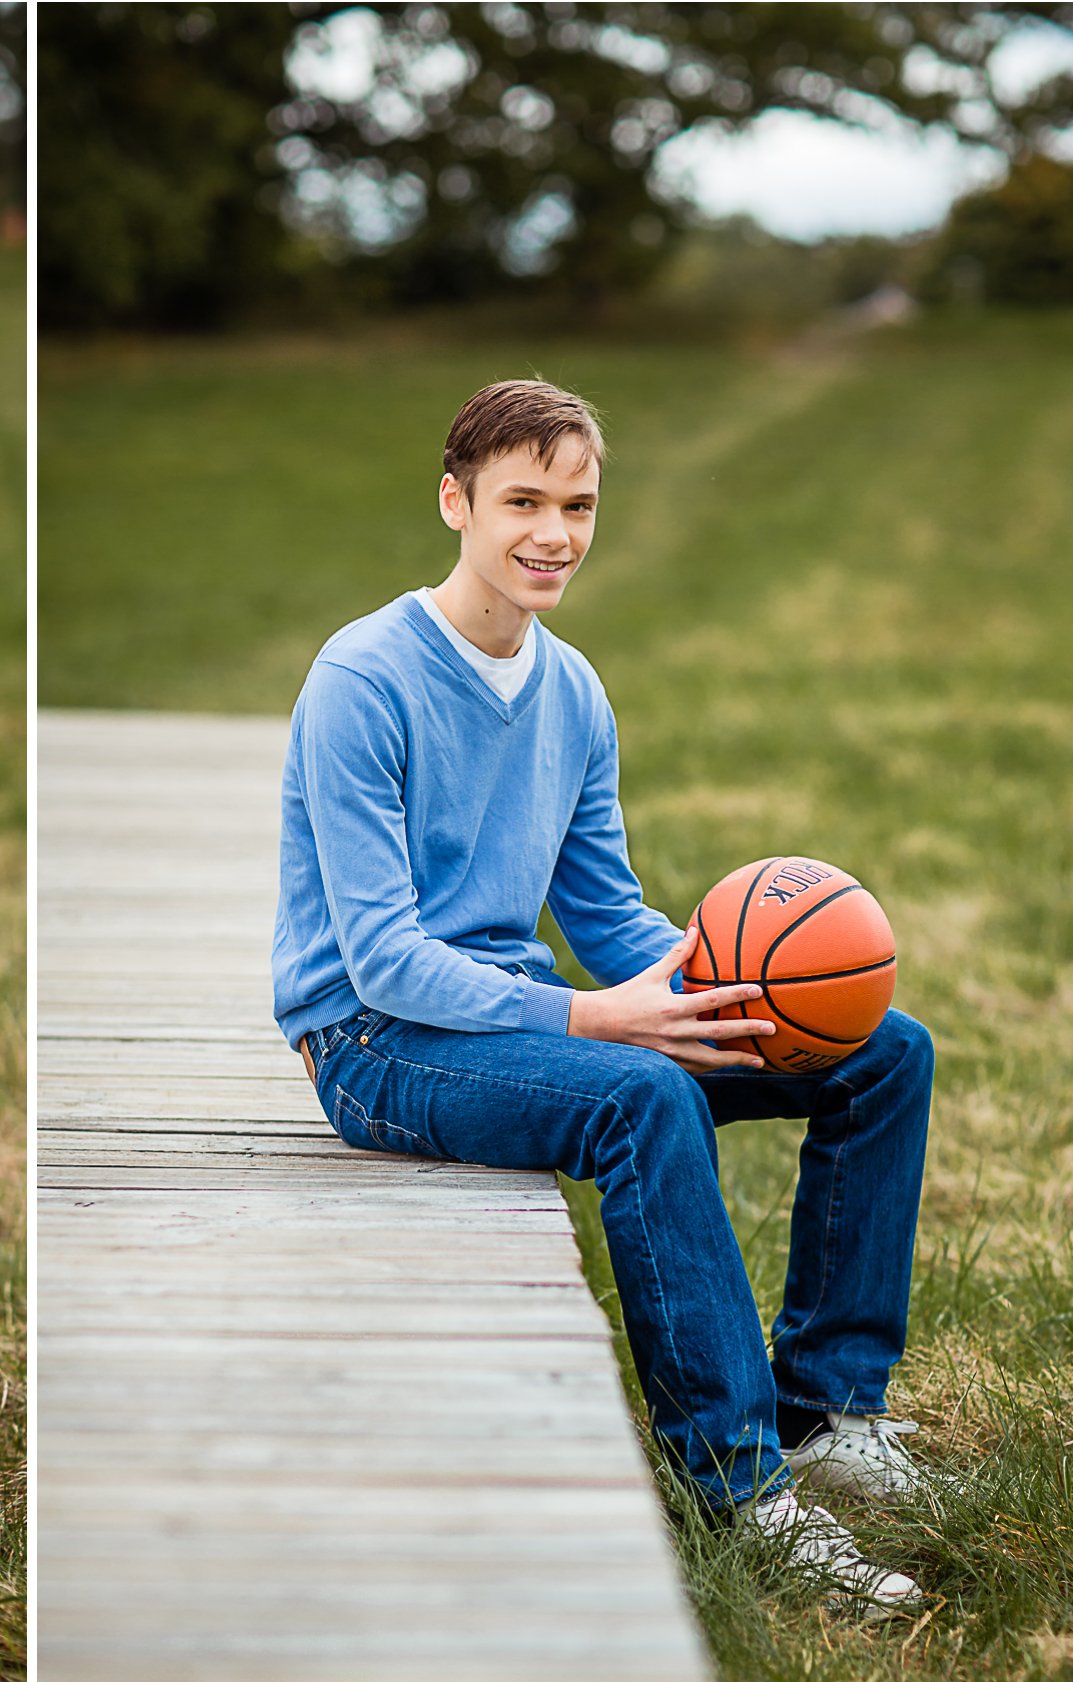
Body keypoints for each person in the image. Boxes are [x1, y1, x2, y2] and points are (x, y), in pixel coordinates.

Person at [273, 379, 944, 1609]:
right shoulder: (362, 679)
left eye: (576, 505)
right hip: (376, 1045)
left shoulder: (572, 688)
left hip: (513, 1015)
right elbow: (381, 958)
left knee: (883, 1051)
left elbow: (601, 913)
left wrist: (719, 975)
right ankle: (740, 1488)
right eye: (521, 501)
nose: (553, 534)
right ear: (454, 502)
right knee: (640, 1097)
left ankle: (833, 1411)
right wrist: (597, 1016)